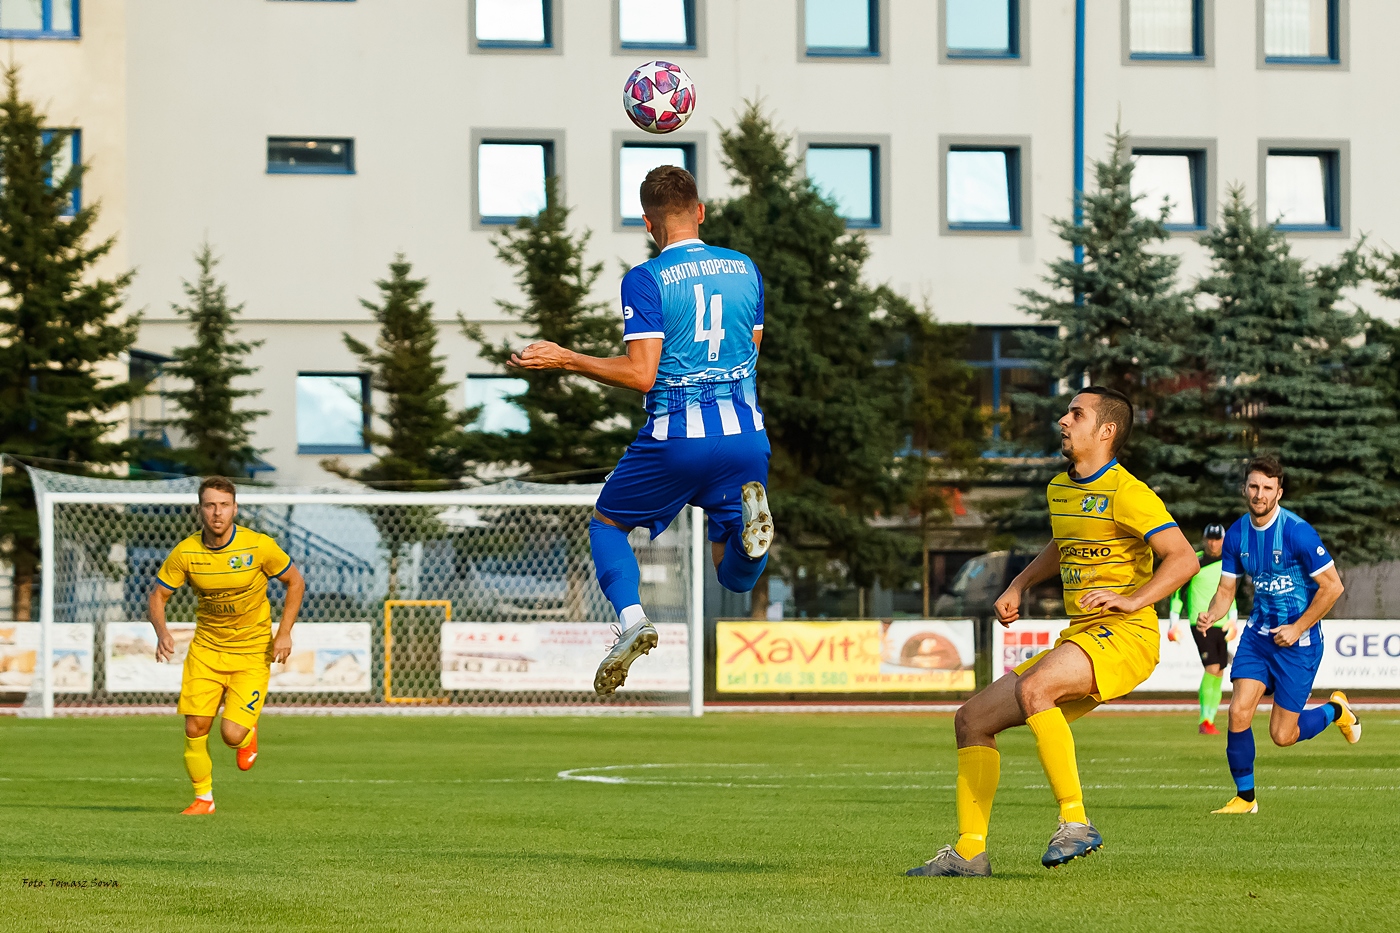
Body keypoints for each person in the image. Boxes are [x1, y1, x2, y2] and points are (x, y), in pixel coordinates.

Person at [907, 387, 1198, 878]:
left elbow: (1184, 558)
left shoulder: (1129, 492)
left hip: (1127, 636)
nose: (1063, 420)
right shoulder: (1061, 489)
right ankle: (969, 852)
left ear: (1106, 431)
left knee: (1036, 687)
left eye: (1076, 413)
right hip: (1083, 637)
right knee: (971, 719)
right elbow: (1065, 543)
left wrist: (1132, 598)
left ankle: (1075, 821)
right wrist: (1019, 583)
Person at [508, 165, 773, 696]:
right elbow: (754, 347)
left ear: (650, 225)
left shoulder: (646, 278)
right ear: (700, 211)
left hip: (676, 438)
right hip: (746, 436)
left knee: (606, 525)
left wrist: (565, 357)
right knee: (734, 575)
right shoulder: (745, 269)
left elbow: (641, 373)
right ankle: (753, 531)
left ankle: (632, 621)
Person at [1196, 456, 1360, 816]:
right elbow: (1226, 589)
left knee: (1282, 736)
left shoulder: (1297, 532)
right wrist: (1212, 613)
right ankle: (1245, 798)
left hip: (1299, 644)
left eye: (1267, 488)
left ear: (1279, 492)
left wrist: (1298, 627)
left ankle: (1336, 710)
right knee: (1238, 711)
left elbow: (1332, 587)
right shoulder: (1237, 533)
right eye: (1253, 486)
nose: (1259, 494)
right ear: (1245, 490)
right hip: (1258, 637)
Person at [148, 476, 305, 815]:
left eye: (223, 505)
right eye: (209, 505)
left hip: (251, 652)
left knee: (230, 735)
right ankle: (204, 799)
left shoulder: (258, 546)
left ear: (235, 508)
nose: (216, 513)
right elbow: (158, 595)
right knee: (195, 727)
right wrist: (162, 632)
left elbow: (295, 581)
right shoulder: (186, 552)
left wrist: (285, 632)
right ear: (200, 510)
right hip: (206, 650)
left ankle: (247, 732)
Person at [1167, 524, 1238, 734]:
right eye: (1210, 539)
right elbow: (1177, 593)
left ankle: (1211, 718)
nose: (1213, 543)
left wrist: (1233, 619)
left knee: (1220, 671)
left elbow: (1229, 593)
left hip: (1222, 622)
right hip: (1200, 622)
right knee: (1212, 668)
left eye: (1217, 539)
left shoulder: (1228, 562)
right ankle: (1204, 719)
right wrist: (1173, 622)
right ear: (1204, 539)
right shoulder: (1194, 561)